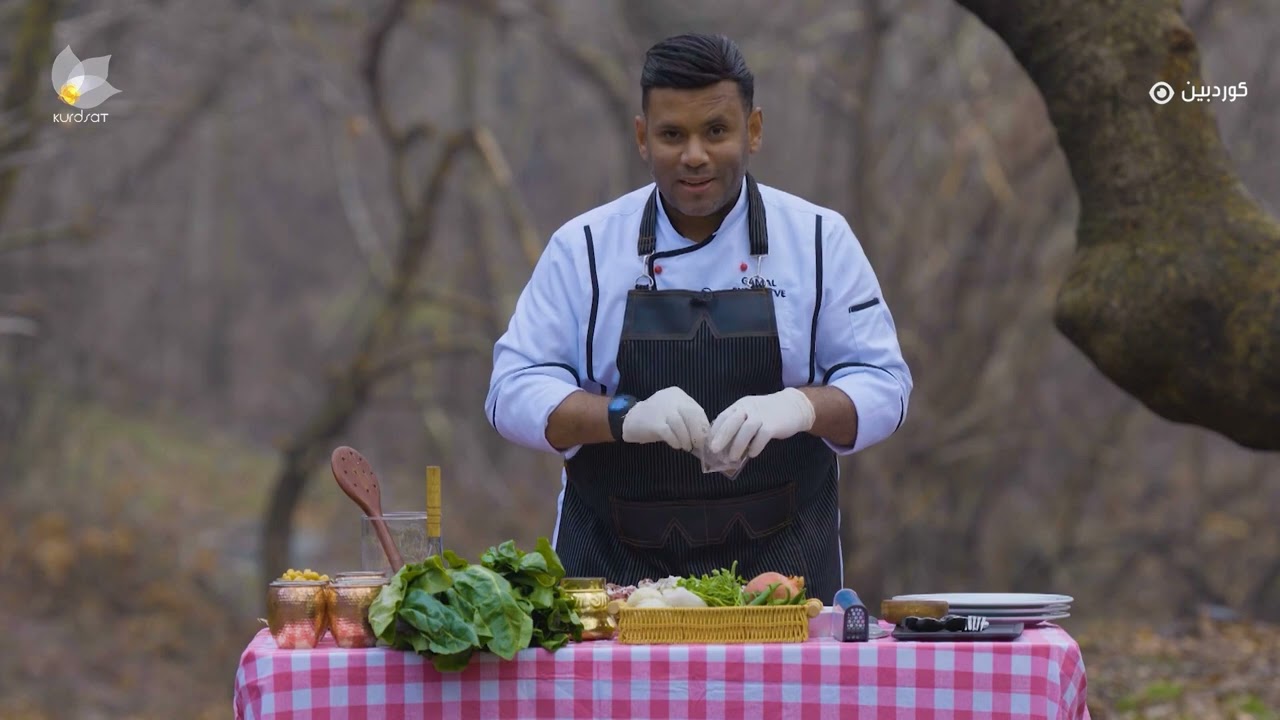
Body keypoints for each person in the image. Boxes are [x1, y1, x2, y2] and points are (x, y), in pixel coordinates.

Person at [484, 33, 912, 603]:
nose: (693, 155)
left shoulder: (817, 241)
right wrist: (621, 415)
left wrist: (798, 406)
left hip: (780, 586)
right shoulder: (584, 249)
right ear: (643, 138)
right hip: (614, 588)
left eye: (716, 131)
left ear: (753, 130)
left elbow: (885, 385)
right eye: (671, 135)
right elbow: (510, 392)